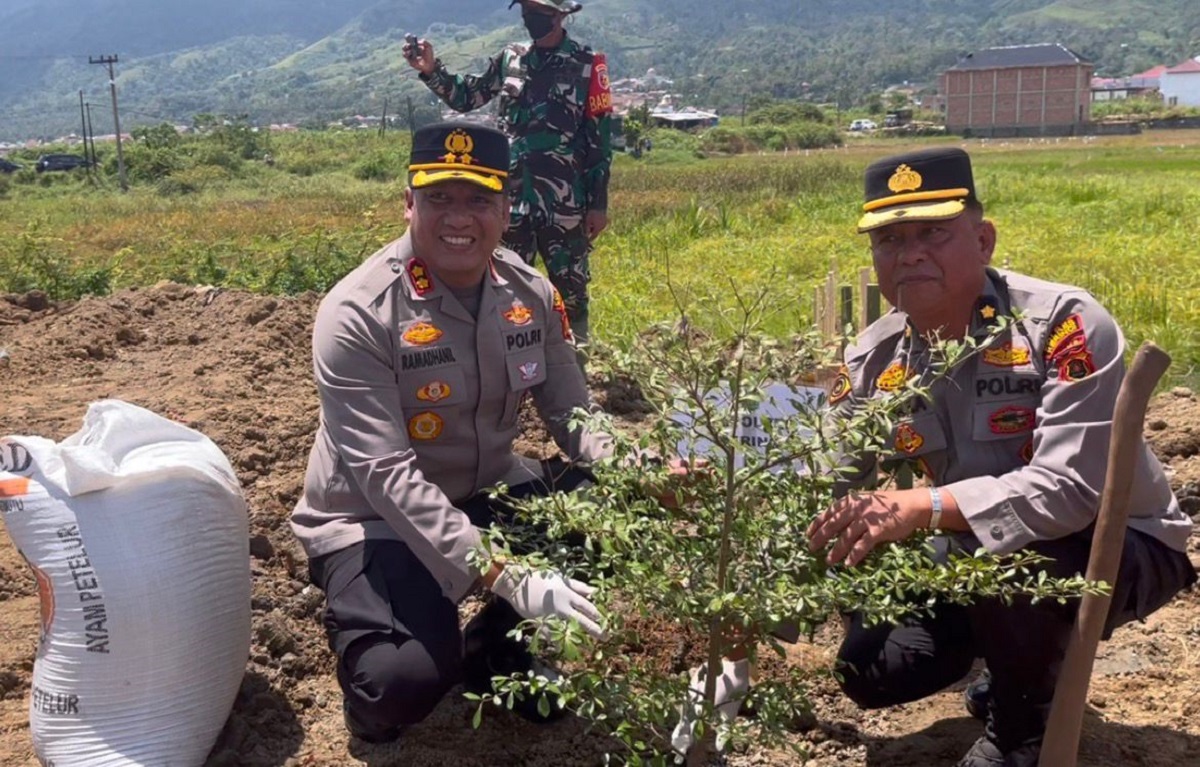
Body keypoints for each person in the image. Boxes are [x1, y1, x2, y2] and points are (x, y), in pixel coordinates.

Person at [806, 147, 1197, 766]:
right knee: (874, 669)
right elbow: (828, 477)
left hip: (1117, 545)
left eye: (933, 233)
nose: (909, 253)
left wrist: (924, 505)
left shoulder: (1061, 325)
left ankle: (1024, 728)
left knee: (1015, 563)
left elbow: (1070, 489)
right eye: (889, 239)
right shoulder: (874, 359)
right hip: (967, 554)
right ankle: (1013, 658)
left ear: (983, 240)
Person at [290, 122, 613, 744]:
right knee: (402, 682)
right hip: (373, 518)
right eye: (439, 198)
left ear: (505, 206)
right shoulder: (359, 311)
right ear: (409, 202)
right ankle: (376, 680)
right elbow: (386, 476)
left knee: (612, 504)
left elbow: (577, 418)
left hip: (485, 490)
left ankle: (495, 651)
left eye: (479, 200)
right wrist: (512, 575)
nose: (459, 218)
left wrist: (650, 469)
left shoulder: (531, 293)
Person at [403, 0, 613, 352]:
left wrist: (598, 204)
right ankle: (510, 375)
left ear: (561, 16)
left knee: (571, 294)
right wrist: (430, 70)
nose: (531, 19)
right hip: (510, 205)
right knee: (505, 290)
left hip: (565, 206)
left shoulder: (588, 65)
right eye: (526, 12)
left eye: (540, 13)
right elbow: (468, 97)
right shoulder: (511, 58)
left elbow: (599, 141)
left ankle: (574, 379)